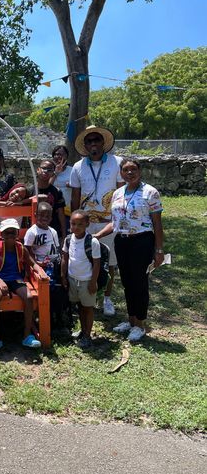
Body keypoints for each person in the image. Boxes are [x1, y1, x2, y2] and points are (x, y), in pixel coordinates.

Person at [95, 158, 164, 343]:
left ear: (140, 171)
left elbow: (157, 223)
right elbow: (114, 223)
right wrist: (98, 235)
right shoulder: (117, 193)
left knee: (139, 283)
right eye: (126, 170)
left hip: (142, 241)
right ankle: (131, 319)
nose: (130, 173)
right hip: (122, 241)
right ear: (121, 173)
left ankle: (140, 324)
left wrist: (158, 250)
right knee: (127, 282)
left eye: (133, 169)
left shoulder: (150, 192)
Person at [70, 125, 123, 317]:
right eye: (89, 141)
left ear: (103, 143)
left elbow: (121, 192)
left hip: (109, 222)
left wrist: (119, 218)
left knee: (110, 262)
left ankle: (106, 298)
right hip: (85, 224)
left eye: (97, 140)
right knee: (85, 260)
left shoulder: (117, 163)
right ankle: (86, 297)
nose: (94, 144)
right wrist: (74, 224)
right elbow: (75, 197)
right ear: (85, 145)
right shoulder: (78, 166)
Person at [0, 218, 42, 352]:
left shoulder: (21, 249)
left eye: (13, 232)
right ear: (2, 234)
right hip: (0, 279)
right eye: (7, 232)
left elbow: (32, 263)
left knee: (28, 298)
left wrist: (40, 271)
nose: (10, 235)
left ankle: (27, 335)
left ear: (17, 234)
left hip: (16, 279)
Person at [61, 210, 101, 349]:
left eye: (80, 224)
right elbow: (65, 258)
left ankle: (87, 336)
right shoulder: (68, 239)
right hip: (72, 279)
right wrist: (63, 276)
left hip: (86, 281)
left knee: (88, 308)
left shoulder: (92, 242)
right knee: (79, 306)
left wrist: (92, 282)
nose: (76, 227)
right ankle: (82, 331)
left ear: (87, 224)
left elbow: (97, 264)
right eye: (73, 224)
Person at [33, 158, 66, 241]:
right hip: (34, 234)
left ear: (53, 173)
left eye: (50, 170)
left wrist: (64, 236)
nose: (46, 171)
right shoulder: (30, 190)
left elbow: (61, 214)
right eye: (44, 168)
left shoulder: (57, 191)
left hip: (53, 233)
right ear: (38, 170)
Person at [50, 145, 73, 228]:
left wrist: (72, 185)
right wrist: (56, 173)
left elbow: (80, 187)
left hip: (67, 211)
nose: (59, 156)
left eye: (61, 154)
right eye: (56, 154)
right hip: (51, 212)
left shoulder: (72, 170)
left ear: (66, 156)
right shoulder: (48, 170)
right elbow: (47, 186)